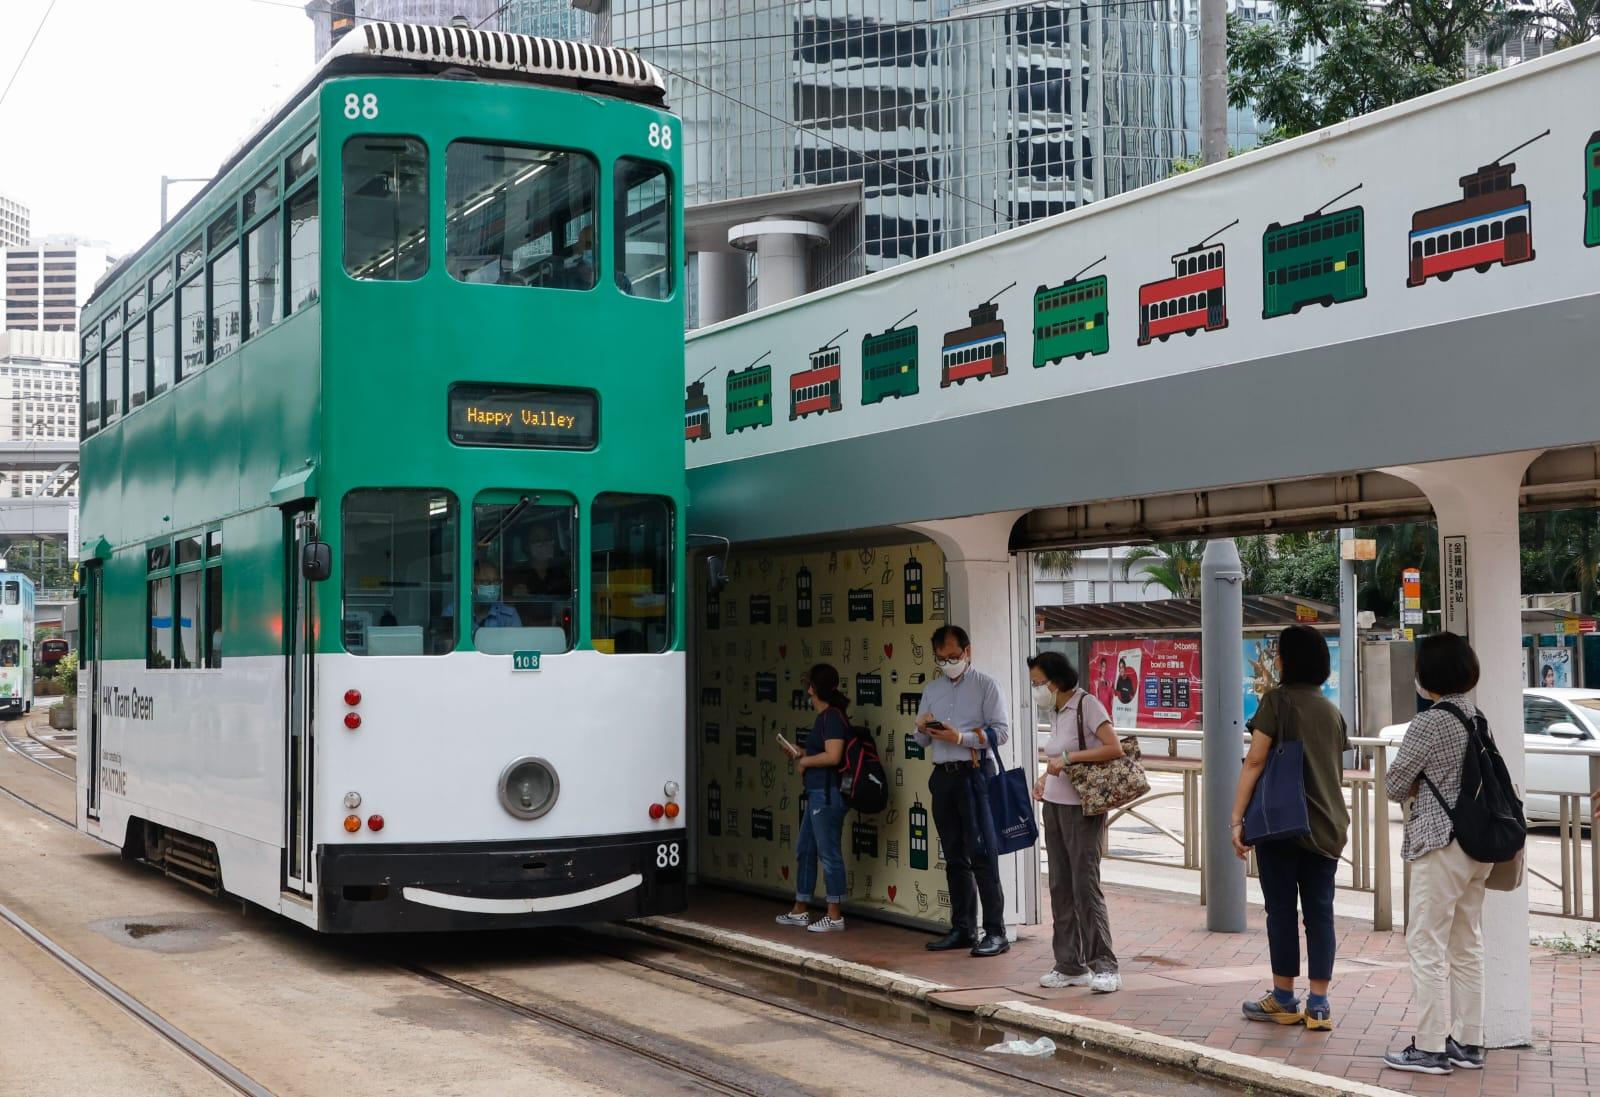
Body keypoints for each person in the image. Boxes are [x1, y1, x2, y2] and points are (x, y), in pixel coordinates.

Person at [1382, 632, 1491, 1076]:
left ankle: (1429, 1048)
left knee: (1425, 942)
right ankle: (1469, 1041)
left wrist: (1415, 782)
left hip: (1440, 843)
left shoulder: (1430, 721)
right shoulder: (1475, 716)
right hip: (1478, 845)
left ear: (1428, 676)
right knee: (1467, 944)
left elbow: (1394, 783)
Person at [1230, 626, 1350, 1031]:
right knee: (1320, 914)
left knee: (1281, 911)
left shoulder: (1277, 702)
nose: (1276, 658)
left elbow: (1255, 761)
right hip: (1328, 826)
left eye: (1279, 652)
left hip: (1282, 825)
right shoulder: (1330, 710)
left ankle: (1283, 997)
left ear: (1289, 660)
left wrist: (1237, 818)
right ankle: (1318, 1005)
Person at [1029, 651, 1124, 993]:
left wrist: (1069, 758)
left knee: (1085, 886)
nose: (1036, 689)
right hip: (1054, 806)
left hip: (1082, 810)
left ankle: (1105, 965)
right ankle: (1069, 964)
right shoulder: (1057, 710)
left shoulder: (1087, 706)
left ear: (1055, 681)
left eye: (1038, 683)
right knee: (1060, 886)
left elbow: (1114, 748)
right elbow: (1058, 756)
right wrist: (1045, 778)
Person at [913, 625, 1011, 957]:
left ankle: (996, 932)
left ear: (967, 651)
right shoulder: (932, 689)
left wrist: (962, 737)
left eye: (953, 656)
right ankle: (963, 928)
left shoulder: (986, 685)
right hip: (943, 776)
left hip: (974, 774)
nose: (948, 662)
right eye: (941, 658)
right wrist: (922, 728)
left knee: (982, 853)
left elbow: (1001, 733)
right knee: (954, 855)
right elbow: (921, 741)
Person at [775, 664, 851, 933]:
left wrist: (805, 760)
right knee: (805, 850)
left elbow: (833, 756)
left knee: (829, 854)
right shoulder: (826, 718)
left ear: (817, 689)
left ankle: (834, 915)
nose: (807, 691)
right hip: (817, 794)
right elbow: (826, 753)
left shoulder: (832, 717)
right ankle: (800, 908)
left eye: (810, 686)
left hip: (827, 795)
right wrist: (801, 752)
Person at [471, 560, 522, 631]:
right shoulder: (455, 612)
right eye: (485, 582)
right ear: (472, 584)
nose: (492, 586)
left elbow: (517, 641)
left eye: (496, 581)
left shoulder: (509, 615)